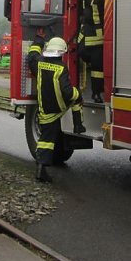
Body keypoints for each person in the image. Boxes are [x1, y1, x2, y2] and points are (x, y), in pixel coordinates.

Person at [34, 37, 86, 183]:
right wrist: (77, 92)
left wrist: (37, 42)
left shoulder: (40, 63)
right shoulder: (61, 67)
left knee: (46, 138)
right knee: (47, 140)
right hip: (57, 108)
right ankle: (78, 125)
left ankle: (40, 168)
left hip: (44, 107)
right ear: (61, 52)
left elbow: (32, 56)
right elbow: (67, 93)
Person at [74, 0, 105, 103]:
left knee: (98, 66)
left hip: (99, 35)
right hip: (87, 31)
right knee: (82, 52)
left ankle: (97, 92)